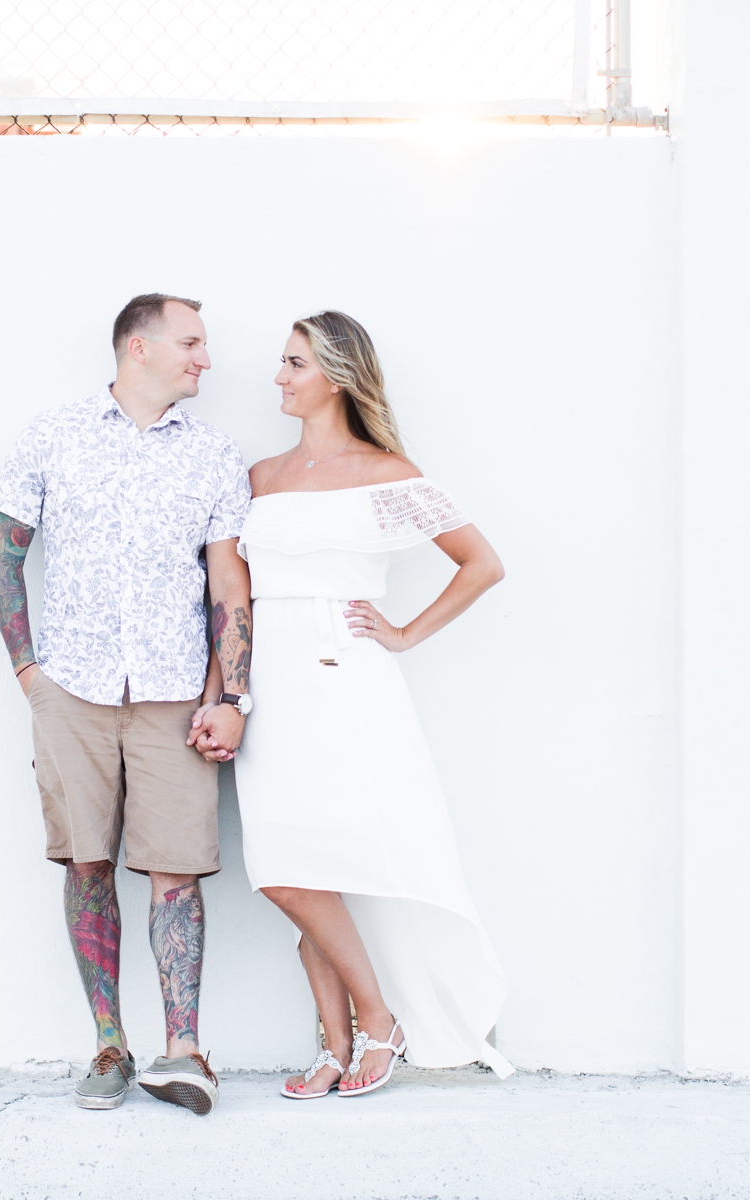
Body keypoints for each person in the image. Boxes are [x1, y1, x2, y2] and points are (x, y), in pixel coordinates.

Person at [197, 310, 513, 1098]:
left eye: (294, 363)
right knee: (286, 865)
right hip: (268, 686)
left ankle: (376, 1024)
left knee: (315, 863)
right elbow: (228, 597)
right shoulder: (260, 478)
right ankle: (337, 1043)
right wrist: (220, 692)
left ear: (336, 376)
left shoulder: (386, 473)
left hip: (346, 681)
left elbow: (482, 564)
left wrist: (403, 633)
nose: (278, 376)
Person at [0, 293, 253, 1114]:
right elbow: (2, 560)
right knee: (88, 863)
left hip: (176, 695)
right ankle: (109, 1046)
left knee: (177, 871)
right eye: (192, 343)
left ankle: (184, 1053)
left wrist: (233, 693)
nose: (205, 359)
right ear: (139, 347)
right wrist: (32, 674)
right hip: (73, 689)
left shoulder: (213, 455)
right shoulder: (52, 436)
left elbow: (229, 583)